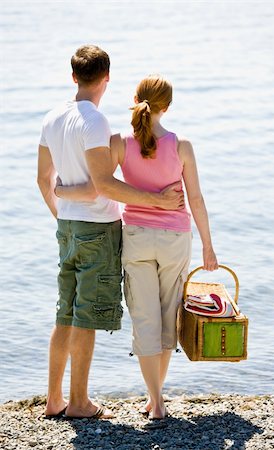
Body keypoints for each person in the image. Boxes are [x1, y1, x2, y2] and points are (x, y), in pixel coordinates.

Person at [55, 74, 218, 421]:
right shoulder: (182, 145)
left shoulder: (118, 143)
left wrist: (61, 191)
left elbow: (99, 185)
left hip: (136, 238)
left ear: (136, 99)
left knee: (144, 318)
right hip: (175, 238)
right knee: (167, 316)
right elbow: (197, 200)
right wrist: (208, 246)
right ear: (168, 106)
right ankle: (157, 398)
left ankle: (155, 402)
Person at [37, 48, 184, 420]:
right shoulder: (96, 122)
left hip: (67, 228)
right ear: (106, 78)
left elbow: (43, 178)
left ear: (74, 77)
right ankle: (80, 403)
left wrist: (61, 208)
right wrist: (156, 200)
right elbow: (100, 185)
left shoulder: (53, 117)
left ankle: (54, 400)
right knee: (86, 316)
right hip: (97, 230)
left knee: (65, 314)